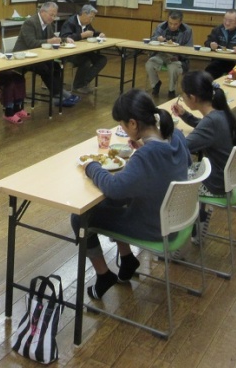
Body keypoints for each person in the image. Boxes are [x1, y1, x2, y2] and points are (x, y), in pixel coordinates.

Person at [73, 89, 190, 300]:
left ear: (133, 124)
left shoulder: (146, 155)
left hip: (155, 227)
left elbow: (115, 188)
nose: (125, 131)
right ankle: (127, 260)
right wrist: (143, 149)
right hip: (177, 219)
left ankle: (103, 276)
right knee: (114, 202)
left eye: (123, 126)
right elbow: (182, 163)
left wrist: (92, 167)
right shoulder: (177, 137)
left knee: (79, 217)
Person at [172, 71, 236, 243]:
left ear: (193, 97)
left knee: (170, 182)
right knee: (185, 169)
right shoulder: (219, 113)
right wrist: (185, 115)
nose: (183, 99)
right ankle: (199, 221)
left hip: (216, 182)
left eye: (183, 96)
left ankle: (179, 235)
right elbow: (203, 127)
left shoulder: (211, 121)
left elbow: (182, 147)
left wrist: (170, 133)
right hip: (226, 176)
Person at [13, 1, 79, 107]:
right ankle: (60, 94)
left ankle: (57, 96)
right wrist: (49, 41)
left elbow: (53, 37)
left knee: (56, 65)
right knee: (44, 68)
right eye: (51, 15)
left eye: (54, 16)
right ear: (42, 12)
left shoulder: (47, 24)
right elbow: (31, 43)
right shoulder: (30, 23)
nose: (53, 18)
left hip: (39, 56)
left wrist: (65, 39)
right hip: (23, 57)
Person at [59, 4, 107, 95]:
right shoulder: (70, 22)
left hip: (83, 51)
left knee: (102, 60)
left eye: (93, 18)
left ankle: (83, 82)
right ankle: (78, 85)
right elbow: (64, 38)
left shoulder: (87, 23)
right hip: (69, 53)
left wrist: (99, 34)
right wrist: (81, 35)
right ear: (84, 14)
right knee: (85, 61)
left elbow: (92, 32)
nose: (91, 20)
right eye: (91, 17)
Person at [145, 10, 193, 99]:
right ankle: (156, 84)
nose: (172, 26)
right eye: (170, 23)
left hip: (177, 58)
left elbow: (189, 49)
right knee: (149, 64)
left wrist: (178, 56)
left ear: (180, 22)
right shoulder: (161, 27)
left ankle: (171, 90)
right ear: (167, 20)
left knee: (172, 68)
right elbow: (152, 40)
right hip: (161, 55)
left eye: (175, 24)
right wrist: (157, 39)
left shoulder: (187, 30)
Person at [203, 9, 236, 78]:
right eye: (225, 19)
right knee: (207, 73)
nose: (227, 23)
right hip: (219, 61)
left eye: (230, 21)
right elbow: (207, 42)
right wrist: (211, 45)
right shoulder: (218, 29)